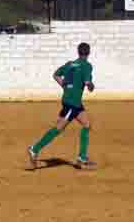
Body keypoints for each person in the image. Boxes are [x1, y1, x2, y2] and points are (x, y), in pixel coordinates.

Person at [27, 42, 96, 170]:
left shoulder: (70, 64)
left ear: (78, 52)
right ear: (89, 52)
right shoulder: (86, 66)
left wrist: (65, 86)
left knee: (86, 124)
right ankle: (34, 148)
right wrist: (91, 86)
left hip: (72, 101)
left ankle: (82, 157)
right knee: (58, 128)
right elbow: (88, 83)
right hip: (72, 103)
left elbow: (56, 75)